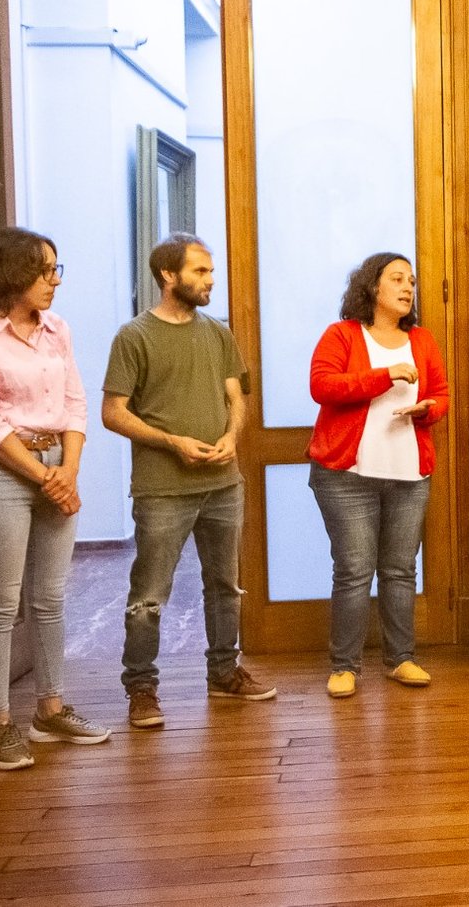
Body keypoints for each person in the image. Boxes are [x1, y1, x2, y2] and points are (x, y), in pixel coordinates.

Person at [0, 228, 111, 769]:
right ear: (10, 274)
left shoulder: (57, 329)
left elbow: (75, 404)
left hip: (57, 465)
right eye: (44, 271)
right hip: (2, 475)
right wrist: (46, 478)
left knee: (49, 599)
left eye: (56, 269)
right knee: (2, 605)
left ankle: (50, 712)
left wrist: (69, 471)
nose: (54, 281)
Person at [103, 233, 274, 729]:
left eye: (210, 271)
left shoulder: (218, 333)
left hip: (223, 484)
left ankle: (224, 672)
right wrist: (171, 441)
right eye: (200, 271)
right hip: (162, 489)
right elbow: (113, 413)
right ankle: (141, 688)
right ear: (168, 275)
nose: (210, 280)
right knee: (149, 594)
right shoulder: (133, 336)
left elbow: (236, 398)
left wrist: (232, 436)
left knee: (225, 586)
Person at [307, 253, 450, 699]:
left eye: (412, 281)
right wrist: (384, 376)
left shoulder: (422, 340)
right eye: (397, 279)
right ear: (373, 287)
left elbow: (441, 394)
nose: (408, 287)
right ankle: (344, 666)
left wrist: (428, 409)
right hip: (346, 476)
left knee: (400, 570)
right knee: (354, 570)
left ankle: (401, 659)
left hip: (409, 474)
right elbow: (322, 386)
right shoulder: (342, 335)